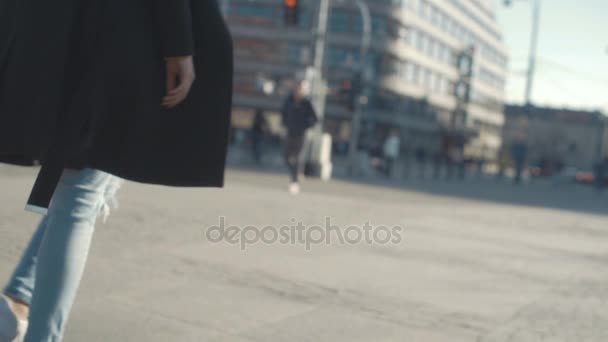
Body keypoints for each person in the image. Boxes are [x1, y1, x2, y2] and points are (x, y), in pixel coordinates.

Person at [0, 1, 233, 341]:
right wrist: (179, 43)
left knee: (84, 176)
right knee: (83, 188)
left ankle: (21, 297)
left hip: (50, 25)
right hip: (117, 32)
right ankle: (39, 331)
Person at [281, 81, 318, 195]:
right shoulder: (289, 100)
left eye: (300, 89)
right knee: (286, 157)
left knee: (297, 158)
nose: (298, 91)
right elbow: (283, 113)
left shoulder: (307, 103)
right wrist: (285, 123)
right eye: (296, 89)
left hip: (300, 134)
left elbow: (315, 118)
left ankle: (294, 181)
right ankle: (295, 173)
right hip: (290, 132)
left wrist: (305, 126)